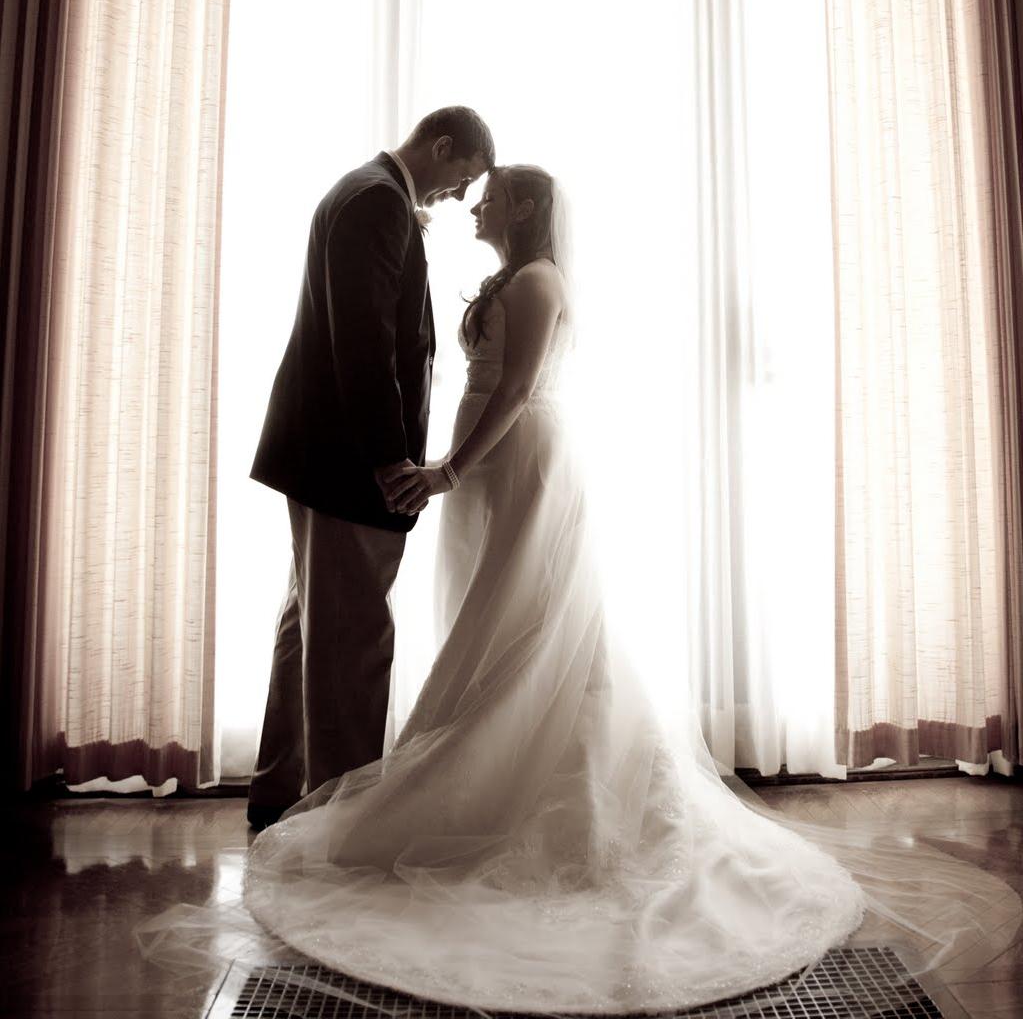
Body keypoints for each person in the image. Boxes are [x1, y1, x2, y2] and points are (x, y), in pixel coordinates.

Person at [241, 165, 872, 1011]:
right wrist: (450, 470)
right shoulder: (506, 276)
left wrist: (450, 468)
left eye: (492, 192)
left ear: (528, 206)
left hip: (517, 465)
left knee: (528, 623)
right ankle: (476, 745)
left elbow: (517, 386)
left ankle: (533, 780)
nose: (477, 203)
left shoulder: (538, 282)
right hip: (479, 472)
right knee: (484, 618)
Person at [244, 107, 494, 831]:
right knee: (352, 640)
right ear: (442, 146)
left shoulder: (364, 190)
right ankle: (338, 816)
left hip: (319, 449)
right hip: (348, 457)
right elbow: (364, 341)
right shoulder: (377, 198)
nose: (457, 193)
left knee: (311, 622)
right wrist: (391, 459)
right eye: (462, 175)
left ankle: (280, 791)